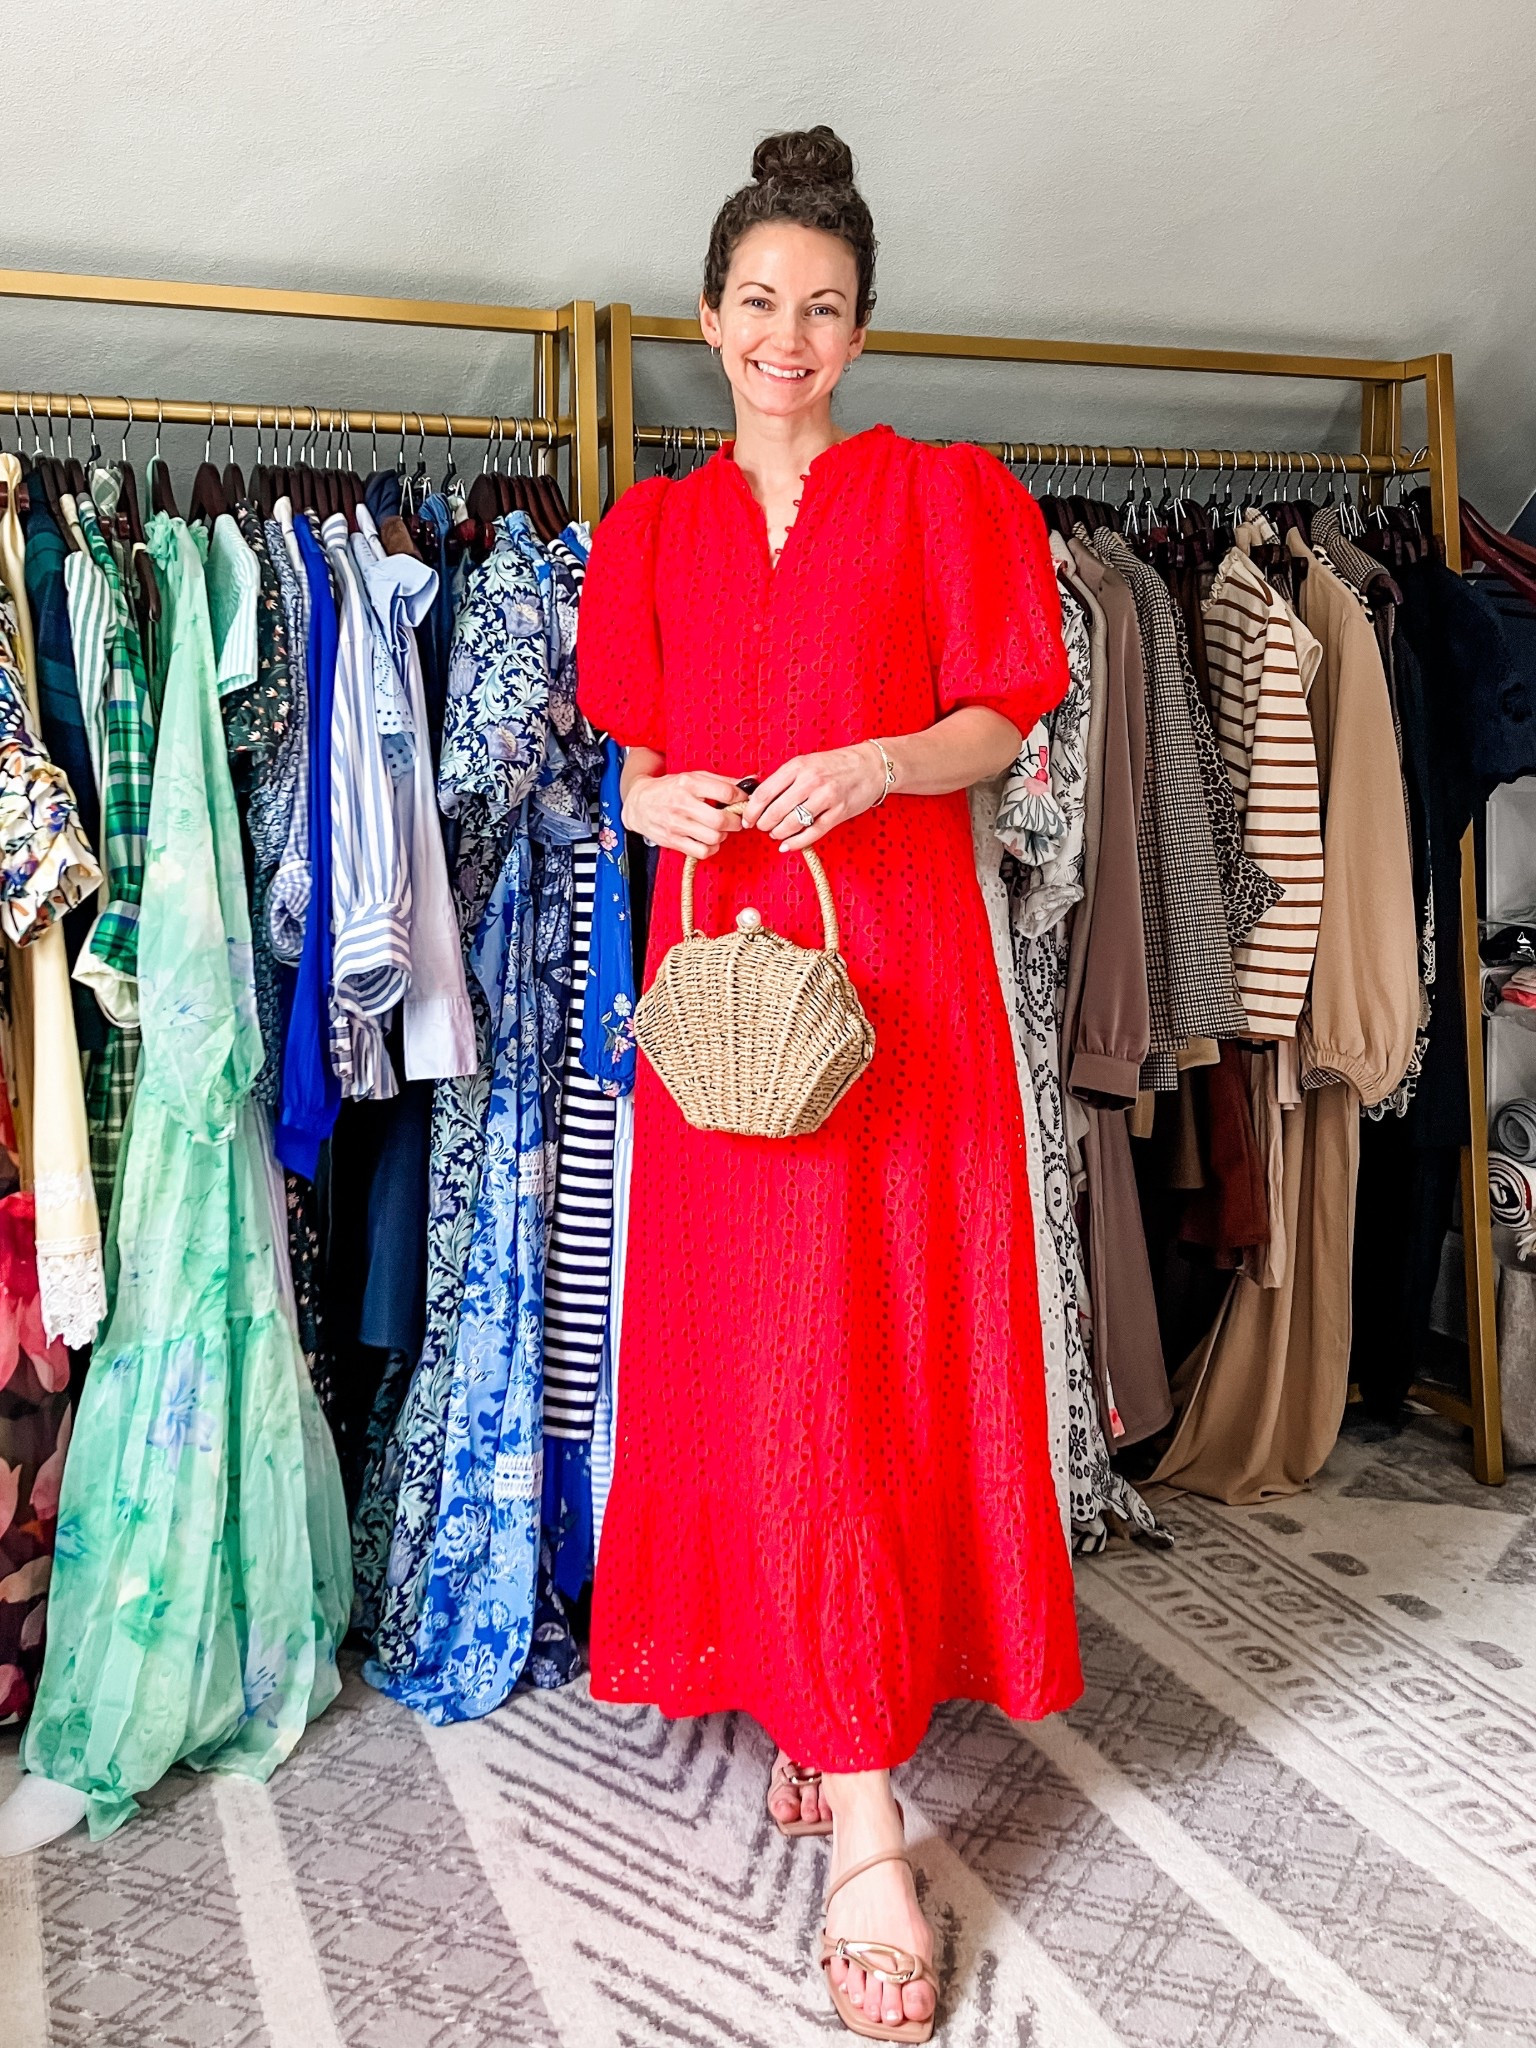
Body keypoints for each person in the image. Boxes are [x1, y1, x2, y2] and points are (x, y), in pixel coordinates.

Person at [576, 125, 1081, 2042]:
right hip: (729, 1001)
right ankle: (827, 1715)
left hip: (905, 989)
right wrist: (650, 802)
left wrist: (877, 762)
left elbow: (1003, 719)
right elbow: (631, 760)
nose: (787, 336)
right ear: (708, 320)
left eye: (825, 307)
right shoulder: (648, 533)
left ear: (862, 334)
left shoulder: (948, 494)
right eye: (759, 302)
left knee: (872, 1357)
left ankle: (861, 1798)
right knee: (767, 1361)